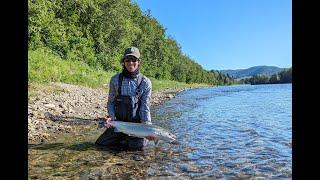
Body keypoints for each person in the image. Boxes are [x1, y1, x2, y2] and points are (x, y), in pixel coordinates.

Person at [95, 46, 156, 151]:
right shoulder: (115, 80)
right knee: (100, 144)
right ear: (123, 62)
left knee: (136, 148)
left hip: (136, 126)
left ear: (139, 62)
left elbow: (145, 108)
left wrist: (147, 128)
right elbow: (110, 102)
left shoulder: (145, 82)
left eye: (134, 60)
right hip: (119, 124)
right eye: (128, 60)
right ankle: (123, 138)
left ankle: (128, 140)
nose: (131, 63)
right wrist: (112, 117)